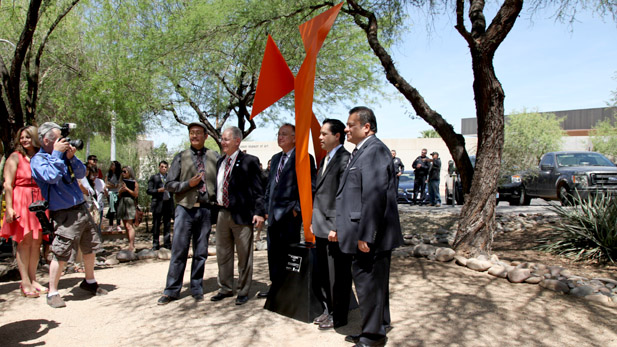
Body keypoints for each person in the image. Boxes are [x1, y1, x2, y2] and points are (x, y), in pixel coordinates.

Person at [335, 107, 403, 347]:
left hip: (371, 236)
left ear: (366, 127)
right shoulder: (362, 151)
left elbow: (374, 197)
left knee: (368, 285)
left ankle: (372, 338)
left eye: (350, 125)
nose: (346, 129)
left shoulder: (374, 151)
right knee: (375, 286)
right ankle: (377, 326)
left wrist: (367, 235)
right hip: (364, 232)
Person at [30, 122, 107, 308]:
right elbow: (51, 177)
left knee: (90, 247)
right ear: (46, 140)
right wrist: (57, 154)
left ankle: (89, 282)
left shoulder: (65, 156)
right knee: (61, 251)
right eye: (58, 139)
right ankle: (53, 292)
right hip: (63, 213)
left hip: (81, 208)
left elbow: (82, 173)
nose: (63, 142)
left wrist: (71, 158)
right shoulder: (38, 160)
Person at [157, 122, 219, 305]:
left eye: (198, 133)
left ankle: (196, 287)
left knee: (201, 252)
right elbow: (169, 184)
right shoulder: (180, 157)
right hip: (185, 209)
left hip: (206, 210)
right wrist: (187, 185)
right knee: (179, 251)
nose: (194, 136)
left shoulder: (214, 157)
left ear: (206, 136)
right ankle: (171, 290)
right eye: (191, 133)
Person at [210, 127, 265, 305]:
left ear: (237, 141)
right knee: (223, 254)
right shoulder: (220, 162)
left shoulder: (250, 161)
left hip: (242, 215)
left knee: (244, 255)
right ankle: (225, 288)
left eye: (226, 139)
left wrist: (258, 212)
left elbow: (258, 190)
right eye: (222, 139)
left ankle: (243, 290)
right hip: (222, 213)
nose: (222, 142)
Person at [261, 123, 316, 298]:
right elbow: (270, 185)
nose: (280, 137)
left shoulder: (304, 158)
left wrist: (297, 209)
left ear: (294, 138)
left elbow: (310, 186)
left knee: (289, 253)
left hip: (289, 215)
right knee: (273, 253)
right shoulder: (276, 158)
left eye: (284, 134)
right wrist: (266, 208)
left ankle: (288, 289)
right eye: (278, 134)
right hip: (273, 214)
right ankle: (275, 287)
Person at [310, 118, 352, 330]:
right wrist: (313, 220)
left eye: (324, 134)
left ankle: (340, 315)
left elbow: (343, 196)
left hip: (335, 229)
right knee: (324, 274)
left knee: (339, 276)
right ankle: (329, 309)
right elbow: (321, 195)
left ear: (337, 136)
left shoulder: (345, 159)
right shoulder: (324, 159)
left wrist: (337, 225)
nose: (319, 137)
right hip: (320, 226)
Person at [1, 126, 48, 297]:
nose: (24, 140)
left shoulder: (40, 156)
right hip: (22, 198)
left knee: (37, 241)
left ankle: (34, 278)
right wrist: (9, 207)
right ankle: (25, 282)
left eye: (28, 137)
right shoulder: (15, 157)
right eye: (22, 137)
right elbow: (7, 184)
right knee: (24, 241)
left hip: (39, 200)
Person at [147, 161, 174, 250]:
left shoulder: (170, 178)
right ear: (159, 167)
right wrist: (158, 190)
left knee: (167, 224)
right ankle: (155, 244)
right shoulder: (154, 178)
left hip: (167, 203)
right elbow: (149, 191)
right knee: (156, 224)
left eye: (165, 167)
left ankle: (167, 244)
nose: (164, 168)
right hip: (158, 203)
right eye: (162, 167)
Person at [117, 166, 139, 251]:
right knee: (125, 225)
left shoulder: (134, 183)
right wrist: (120, 191)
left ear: (129, 172)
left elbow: (135, 194)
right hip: (122, 202)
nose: (123, 173)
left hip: (130, 202)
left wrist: (127, 189)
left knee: (129, 225)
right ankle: (129, 242)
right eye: (122, 171)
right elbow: (118, 195)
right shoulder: (121, 182)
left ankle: (131, 245)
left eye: (125, 171)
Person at [105, 161, 123, 232]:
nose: (111, 166)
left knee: (118, 209)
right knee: (111, 209)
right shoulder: (108, 174)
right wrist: (113, 185)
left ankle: (118, 225)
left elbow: (119, 184)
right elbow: (106, 183)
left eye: (113, 165)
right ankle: (111, 225)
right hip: (110, 193)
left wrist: (113, 185)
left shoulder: (119, 174)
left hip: (118, 193)